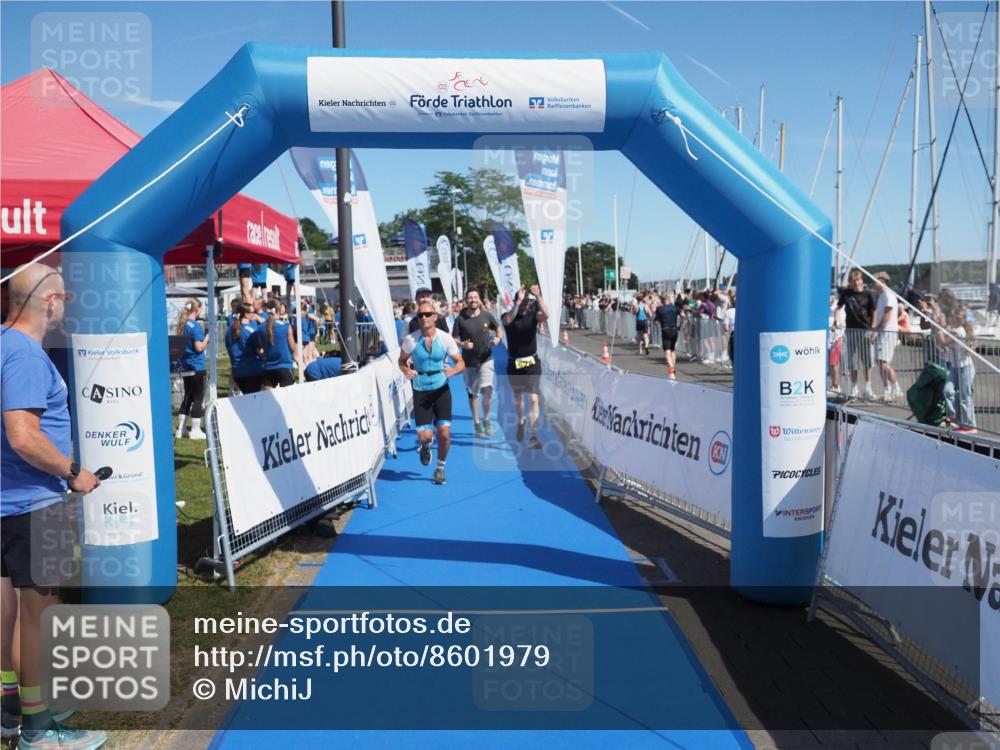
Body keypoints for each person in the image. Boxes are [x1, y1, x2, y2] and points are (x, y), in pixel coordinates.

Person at [1, 265, 108, 750]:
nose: (66, 302)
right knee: (36, 617)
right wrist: (72, 471)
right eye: (63, 293)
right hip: (34, 502)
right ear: (48, 302)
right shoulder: (23, 352)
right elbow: (23, 435)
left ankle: (13, 707)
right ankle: (38, 727)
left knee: (8, 613)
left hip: (9, 501)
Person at [398, 301, 465, 484]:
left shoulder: (445, 338)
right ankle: (426, 446)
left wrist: (454, 370)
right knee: (425, 437)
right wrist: (406, 370)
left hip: (441, 388)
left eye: (428, 314)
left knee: (444, 433)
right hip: (421, 391)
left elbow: (460, 362)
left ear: (435, 317)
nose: (424, 318)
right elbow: (401, 361)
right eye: (420, 315)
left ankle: (440, 468)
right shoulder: (411, 340)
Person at [502, 285, 550, 450]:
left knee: (534, 399)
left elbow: (546, 314)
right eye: (522, 303)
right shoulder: (508, 316)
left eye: (527, 303)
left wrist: (538, 296)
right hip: (514, 364)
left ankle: (533, 436)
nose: (525, 306)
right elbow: (508, 320)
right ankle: (521, 420)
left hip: (532, 363)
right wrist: (517, 302)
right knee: (519, 399)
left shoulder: (533, 316)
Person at [451, 289, 503, 437]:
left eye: (475, 297)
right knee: (473, 394)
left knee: (487, 390)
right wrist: (462, 344)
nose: (473, 300)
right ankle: (476, 422)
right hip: (469, 362)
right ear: (466, 301)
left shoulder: (487, 315)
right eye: (470, 298)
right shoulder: (460, 318)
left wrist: (498, 338)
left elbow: (499, 329)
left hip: (486, 359)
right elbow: (453, 338)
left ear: (479, 299)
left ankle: (486, 419)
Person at [936, 305, 977, 433]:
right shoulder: (953, 330)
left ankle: (969, 425)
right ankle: (953, 418)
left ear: (957, 319)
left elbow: (942, 342)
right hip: (955, 367)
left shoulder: (958, 331)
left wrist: (939, 329)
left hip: (965, 367)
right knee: (948, 391)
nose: (949, 318)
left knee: (965, 397)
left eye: (952, 317)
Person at [837, 270, 877, 400]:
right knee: (853, 361)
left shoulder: (868, 294)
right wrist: (836, 321)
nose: (856, 284)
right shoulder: (846, 294)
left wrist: (873, 328)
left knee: (866, 360)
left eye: (858, 281)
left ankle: (868, 388)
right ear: (850, 282)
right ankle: (854, 388)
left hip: (865, 329)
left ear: (861, 281)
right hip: (851, 330)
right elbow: (839, 307)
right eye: (853, 282)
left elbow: (874, 311)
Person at [176, 299, 208, 439]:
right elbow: (199, 347)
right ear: (197, 310)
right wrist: (207, 337)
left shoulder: (182, 325)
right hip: (197, 365)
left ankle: (181, 429)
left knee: (187, 397)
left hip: (186, 365)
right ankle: (195, 430)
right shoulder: (194, 326)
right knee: (198, 398)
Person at [252, 301, 297, 389]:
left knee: (267, 399)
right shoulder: (285, 326)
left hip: (268, 366)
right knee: (288, 398)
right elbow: (293, 348)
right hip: (284, 365)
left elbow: (260, 348)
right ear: (279, 310)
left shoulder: (260, 328)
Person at [871, 271, 900, 402]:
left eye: (874, 280)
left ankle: (892, 389)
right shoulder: (882, 296)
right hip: (884, 331)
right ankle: (891, 388)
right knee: (881, 361)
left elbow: (887, 316)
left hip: (888, 332)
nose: (872, 283)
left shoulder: (888, 296)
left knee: (883, 362)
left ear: (882, 281)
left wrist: (876, 330)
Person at [225, 303, 263, 395]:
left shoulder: (229, 331)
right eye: (253, 312)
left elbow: (229, 351)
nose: (255, 314)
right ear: (246, 314)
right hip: (252, 371)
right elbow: (260, 352)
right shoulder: (251, 331)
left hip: (237, 373)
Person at [653, 293, 683, 378]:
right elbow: (683, 316)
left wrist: (657, 320)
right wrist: (680, 326)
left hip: (665, 330)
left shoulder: (660, 309)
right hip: (674, 330)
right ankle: (673, 369)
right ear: (669, 299)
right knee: (673, 350)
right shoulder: (675, 308)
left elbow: (656, 322)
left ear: (662, 300)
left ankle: (671, 370)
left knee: (667, 351)